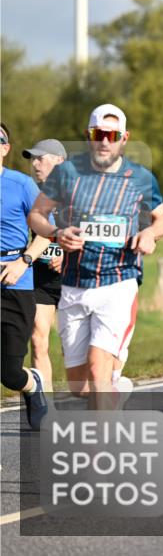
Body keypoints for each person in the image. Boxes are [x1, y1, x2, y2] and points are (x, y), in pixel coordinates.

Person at [28, 104, 163, 409]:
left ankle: (101, 437)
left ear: (124, 138)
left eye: (113, 135)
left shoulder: (139, 177)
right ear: (88, 135)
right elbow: (37, 215)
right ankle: (114, 389)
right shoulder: (67, 173)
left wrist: (150, 233)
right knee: (80, 385)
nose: (105, 141)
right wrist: (56, 233)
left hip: (118, 282)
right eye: (98, 134)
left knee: (97, 369)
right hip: (74, 283)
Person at [1, 123, 51, 429]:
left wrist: (24, 261)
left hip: (15, 283)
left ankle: (31, 384)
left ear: (5, 148)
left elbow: (45, 233)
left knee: (9, 373)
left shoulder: (22, 185)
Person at [22, 139, 67, 391]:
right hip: (40, 277)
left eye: (40, 158)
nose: (35, 164)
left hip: (75, 278)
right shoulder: (31, 193)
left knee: (75, 348)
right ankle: (45, 406)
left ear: (59, 161)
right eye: (33, 159)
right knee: (38, 340)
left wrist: (69, 255)